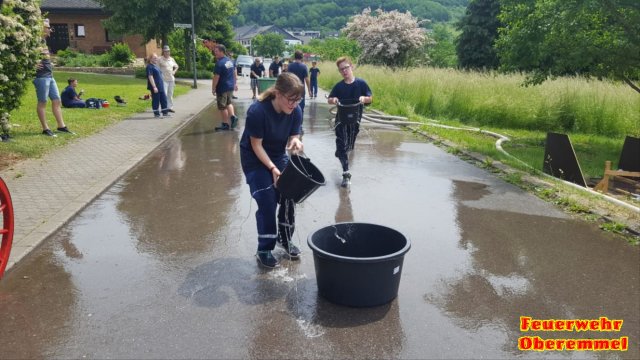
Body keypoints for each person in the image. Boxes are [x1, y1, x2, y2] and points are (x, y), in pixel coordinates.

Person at [239, 73, 305, 268]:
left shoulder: (296, 110)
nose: (294, 104)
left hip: (277, 155)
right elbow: (256, 146)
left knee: (289, 194)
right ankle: (264, 248)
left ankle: (284, 239)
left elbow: (294, 135)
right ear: (278, 93)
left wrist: (296, 141)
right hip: (254, 159)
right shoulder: (257, 112)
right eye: (290, 99)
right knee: (267, 200)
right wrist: (273, 169)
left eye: (298, 99)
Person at [327, 56, 372, 187]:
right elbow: (330, 99)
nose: (344, 71)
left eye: (346, 68)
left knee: (349, 146)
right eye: (341, 69)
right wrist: (334, 100)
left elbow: (370, 98)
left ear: (351, 67)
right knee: (342, 144)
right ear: (339, 72)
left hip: (355, 122)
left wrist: (364, 98)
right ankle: (346, 173)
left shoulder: (361, 83)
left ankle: (341, 153)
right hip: (341, 121)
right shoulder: (339, 86)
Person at [34, 19, 73, 137]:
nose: (50, 30)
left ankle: (61, 126)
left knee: (56, 100)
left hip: (50, 76)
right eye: (47, 27)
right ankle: (45, 128)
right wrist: (31, 64)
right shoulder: (34, 41)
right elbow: (24, 54)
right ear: (40, 28)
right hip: (41, 77)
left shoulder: (43, 41)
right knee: (43, 102)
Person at [211, 44, 239, 131]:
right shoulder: (230, 61)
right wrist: (235, 83)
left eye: (216, 51)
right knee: (228, 103)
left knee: (222, 106)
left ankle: (225, 124)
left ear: (222, 52)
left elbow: (216, 77)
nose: (215, 53)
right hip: (230, 87)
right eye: (215, 51)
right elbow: (234, 73)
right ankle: (233, 117)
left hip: (222, 88)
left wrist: (213, 88)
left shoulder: (219, 63)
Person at [286, 50, 311, 118]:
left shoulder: (290, 66)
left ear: (295, 57)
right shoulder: (304, 66)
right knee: (300, 108)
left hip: (291, 90)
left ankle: (291, 124)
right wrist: (309, 90)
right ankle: (299, 125)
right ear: (301, 57)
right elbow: (307, 79)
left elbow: (287, 78)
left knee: (290, 106)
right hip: (301, 90)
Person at [146, 53, 169, 118]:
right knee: (156, 101)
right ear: (150, 59)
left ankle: (165, 113)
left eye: (157, 57)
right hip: (155, 87)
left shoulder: (156, 66)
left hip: (160, 86)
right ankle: (156, 114)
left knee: (163, 99)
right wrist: (154, 87)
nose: (156, 59)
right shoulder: (149, 67)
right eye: (154, 58)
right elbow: (150, 77)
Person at [158, 45, 179, 113]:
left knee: (170, 94)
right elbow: (157, 69)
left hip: (171, 79)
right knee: (164, 94)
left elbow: (176, 66)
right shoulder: (160, 59)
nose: (167, 52)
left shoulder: (171, 59)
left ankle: (170, 107)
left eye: (168, 51)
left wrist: (174, 71)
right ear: (163, 52)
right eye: (166, 51)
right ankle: (164, 108)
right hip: (164, 80)